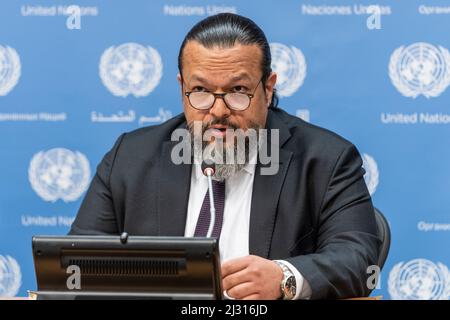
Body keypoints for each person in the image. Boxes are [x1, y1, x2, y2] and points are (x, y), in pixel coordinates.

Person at [70, 13, 380, 300]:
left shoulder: (326, 160)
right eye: (201, 90)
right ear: (182, 88)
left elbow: (359, 260)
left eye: (238, 90)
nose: (218, 111)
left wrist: (284, 278)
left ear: (268, 88)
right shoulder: (131, 157)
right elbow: (77, 265)